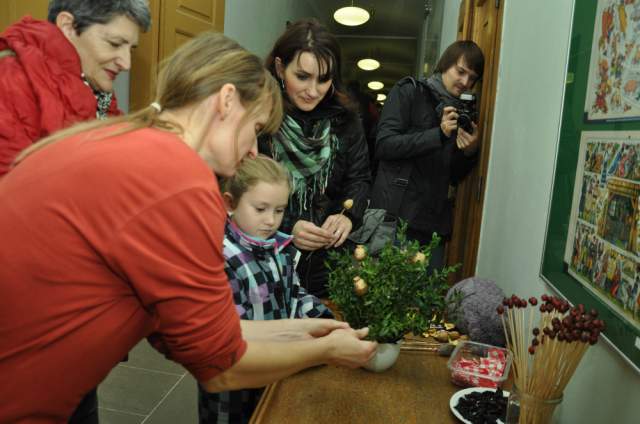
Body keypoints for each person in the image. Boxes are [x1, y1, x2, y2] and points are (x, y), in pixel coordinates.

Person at [0, 31, 377, 423]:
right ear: (226, 100)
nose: (253, 150)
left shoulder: (126, 138)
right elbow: (222, 365)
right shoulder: (180, 179)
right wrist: (327, 351)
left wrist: (308, 332)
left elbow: (208, 330)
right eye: (255, 128)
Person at [199, 155, 333, 423]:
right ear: (229, 203)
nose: (271, 220)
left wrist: (326, 322)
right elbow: (231, 335)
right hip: (233, 391)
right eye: (260, 209)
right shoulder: (221, 260)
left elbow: (295, 295)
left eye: (279, 210)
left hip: (276, 372)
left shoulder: (278, 249)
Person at [261, 19, 371, 298]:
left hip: (329, 265)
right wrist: (288, 227)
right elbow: (242, 190)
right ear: (279, 68)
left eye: (323, 79)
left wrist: (347, 216)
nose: (313, 91)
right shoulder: (261, 117)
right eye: (302, 76)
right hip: (267, 260)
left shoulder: (346, 120)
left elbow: (359, 179)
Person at [0, 0, 151, 176]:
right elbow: (12, 185)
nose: (126, 64)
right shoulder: (11, 80)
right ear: (68, 27)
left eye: (131, 50)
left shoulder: (94, 84)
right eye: (114, 44)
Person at [369, 40, 485, 271]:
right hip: (397, 220)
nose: (465, 82)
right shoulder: (410, 91)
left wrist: (469, 151)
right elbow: (384, 145)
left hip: (433, 227)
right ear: (445, 64)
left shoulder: (461, 113)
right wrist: (438, 134)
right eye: (460, 72)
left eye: (472, 78)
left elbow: (453, 175)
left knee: (427, 293)